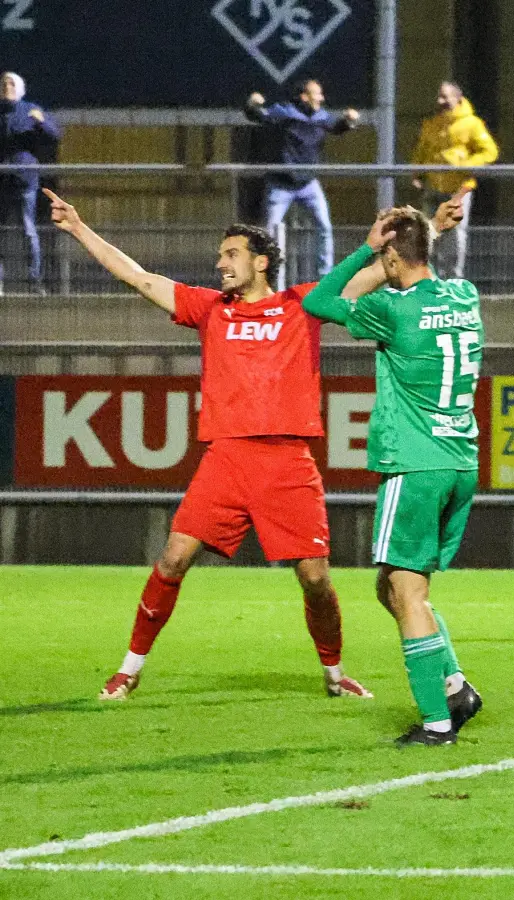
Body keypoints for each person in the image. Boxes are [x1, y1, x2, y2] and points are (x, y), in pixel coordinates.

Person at [43, 189, 371, 704]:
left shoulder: (302, 305)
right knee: (174, 558)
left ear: (262, 262)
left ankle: (334, 674)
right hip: (228, 458)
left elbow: (368, 277)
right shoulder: (209, 308)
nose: (220, 264)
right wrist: (80, 229)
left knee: (315, 578)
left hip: (287, 460)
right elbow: (138, 276)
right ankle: (129, 671)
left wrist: (430, 233)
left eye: (231, 254)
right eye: (221, 256)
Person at [302, 196, 485, 747]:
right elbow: (420, 271)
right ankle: (455, 687)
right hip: (460, 461)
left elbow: (320, 300)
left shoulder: (392, 309)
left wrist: (367, 247)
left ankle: (435, 723)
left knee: (405, 593)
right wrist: (426, 234)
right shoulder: (465, 296)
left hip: (415, 462)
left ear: (390, 259)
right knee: (396, 589)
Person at [244, 80, 360, 276]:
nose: (321, 98)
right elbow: (258, 115)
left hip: (308, 184)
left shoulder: (321, 116)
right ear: (304, 97)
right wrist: (252, 104)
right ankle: (266, 277)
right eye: (317, 94)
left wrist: (350, 120)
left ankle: (325, 277)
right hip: (281, 184)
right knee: (270, 233)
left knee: (324, 227)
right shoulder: (285, 113)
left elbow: (338, 127)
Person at [410, 81, 500, 280]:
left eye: (445, 97)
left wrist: (466, 164)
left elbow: (489, 152)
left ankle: (453, 282)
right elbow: (422, 150)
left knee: (455, 237)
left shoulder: (472, 124)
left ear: (457, 99)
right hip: (432, 187)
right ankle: (430, 280)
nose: (440, 101)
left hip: (458, 189)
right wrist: (416, 173)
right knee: (428, 235)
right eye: (439, 96)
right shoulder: (431, 124)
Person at [0, 73, 61, 294]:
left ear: (20, 89)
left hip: (24, 179)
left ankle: (34, 281)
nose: (7, 87)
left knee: (28, 231)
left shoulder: (30, 110)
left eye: (11, 83)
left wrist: (41, 122)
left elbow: (54, 135)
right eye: (3, 83)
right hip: (2, 181)